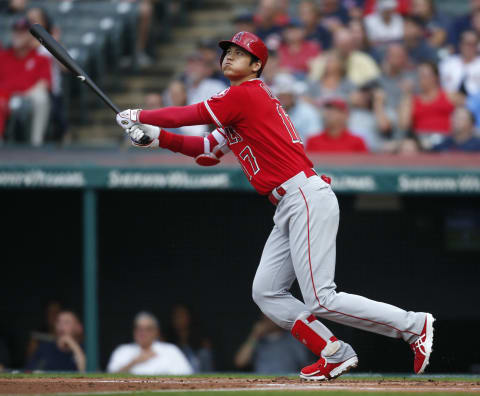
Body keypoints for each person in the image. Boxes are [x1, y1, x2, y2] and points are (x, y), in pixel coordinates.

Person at [116, 31, 435, 381]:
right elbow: (207, 150)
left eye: (240, 53)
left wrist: (140, 113)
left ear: (256, 65)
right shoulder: (238, 107)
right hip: (289, 204)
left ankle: (413, 325)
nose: (229, 56)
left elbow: (187, 114)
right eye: (227, 51)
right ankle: (333, 351)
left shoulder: (246, 94)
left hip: (304, 196)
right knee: (266, 291)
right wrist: (156, 137)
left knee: (321, 298)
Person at [0, 17, 51, 144]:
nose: (18, 35)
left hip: (28, 95)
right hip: (5, 95)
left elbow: (44, 84)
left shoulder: (41, 58)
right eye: (16, 31)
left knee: (41, 98)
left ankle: (36, 143)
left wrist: (23, 96)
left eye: (22, 32)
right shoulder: (3, 56)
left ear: (30, 37)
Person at [107, 311, 193, 375]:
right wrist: (134, 362)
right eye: (139, 328)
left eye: (148, 329)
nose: (142, 333)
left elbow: (186, 374)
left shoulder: (170, 350)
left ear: (156, 332)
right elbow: (108, 378)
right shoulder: (122, 350)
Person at [399, 61, 456, 149]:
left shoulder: (450, 96)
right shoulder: (412, 99)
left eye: (424, 76)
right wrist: (407, 95)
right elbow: (404, 125)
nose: (421, 79)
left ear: (436, 77)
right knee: (407, 146)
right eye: (419, 76)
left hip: (446, 139)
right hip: (421, 141)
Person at [234, 315, 311, 374]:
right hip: (261, 382)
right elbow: (240, 362)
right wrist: (254, 336)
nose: (268, 320)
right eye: (265, 317)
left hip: (286, 382)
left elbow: (305, 364)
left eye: (271, 317)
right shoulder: (258, 340)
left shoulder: (293, 339)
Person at [309, 28, 380, 87]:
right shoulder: (322, 60)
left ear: (352, 44)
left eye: (348, 45)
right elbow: (313, 82)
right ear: (335, 44)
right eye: (342, 45)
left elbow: (375, 80)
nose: (345, 49)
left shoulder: (364, 60)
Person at [271, 73, 321, 142]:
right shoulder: (271, 112)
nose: (284, 99)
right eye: (281, 96)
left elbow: (314, 136)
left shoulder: (308, 112)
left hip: (305, 151)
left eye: (287, 96)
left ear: (293, 96)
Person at [165, 304, 214, 373]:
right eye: (176, 316)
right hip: (175, 377)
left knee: (204, 353)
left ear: (189, 317)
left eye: (182, 316)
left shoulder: (201, 340)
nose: (179, 319)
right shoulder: (167, 341)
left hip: (198, 376)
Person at [440, 30, 480, 97]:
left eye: (474, 44)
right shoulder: (447, 63)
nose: (470, 47)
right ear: (460, 44)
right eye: (467, 44)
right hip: (448, 101)